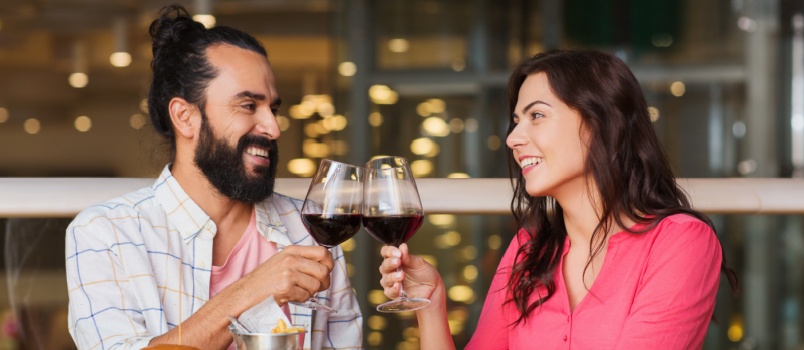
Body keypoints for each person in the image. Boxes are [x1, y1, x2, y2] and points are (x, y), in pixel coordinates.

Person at [379, 49, 738, 349]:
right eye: (516, 121)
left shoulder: (679, 241)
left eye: (537, 116)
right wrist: (430, 301)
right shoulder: (529, 249)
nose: (513, 138)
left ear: (601, 124)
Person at [65, 5, 362, 350]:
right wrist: (251, 291)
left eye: (273, 108)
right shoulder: (106, 235)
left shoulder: (308, 231)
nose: (273, 128)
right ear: (185, 117)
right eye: (249, 106)